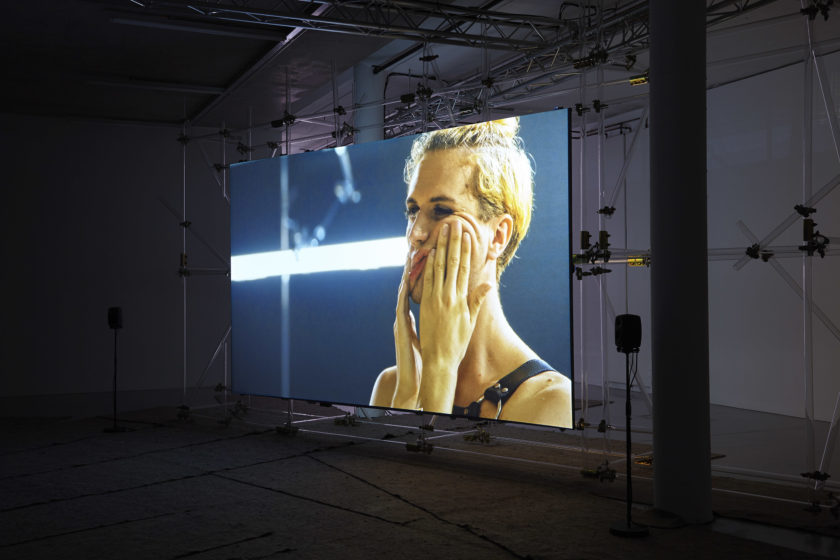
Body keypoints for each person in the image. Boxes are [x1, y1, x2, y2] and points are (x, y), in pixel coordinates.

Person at [369, 117, 572, 428]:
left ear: (499, 236)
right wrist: (410, 394)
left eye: (442, 211)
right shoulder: (391, 385)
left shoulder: (551, 401)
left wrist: (438, 371)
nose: (415, 233)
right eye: (413, 210)